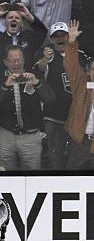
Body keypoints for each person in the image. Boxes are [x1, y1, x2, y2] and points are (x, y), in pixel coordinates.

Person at [34, 21, 89, 170]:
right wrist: (44, 59)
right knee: (55, 157)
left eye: (63, 35)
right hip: (54, 117)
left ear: (68, 36)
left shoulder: (81, 55)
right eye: (56, 36)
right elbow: (39, 67)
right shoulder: (47, 55)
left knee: (76, 158)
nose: (60, 38)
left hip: (78, 118)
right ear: (51, 39)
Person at [0, 45, 54, 171]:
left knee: (32, 174)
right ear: (5, 62)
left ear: (24, 60)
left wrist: (37, 83)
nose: (16, 63)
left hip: (31, 136)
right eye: (12, 60)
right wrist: (5, 86)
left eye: (19, 60)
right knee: (4, 173)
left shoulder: (34, 75)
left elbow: (50, 99)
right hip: (6, 135)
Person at [63, 19, 94, 169]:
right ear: (88, 71)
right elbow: (71, 65)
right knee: (72, 181)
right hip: (80, 142)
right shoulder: (81, 84)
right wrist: (72, 41)